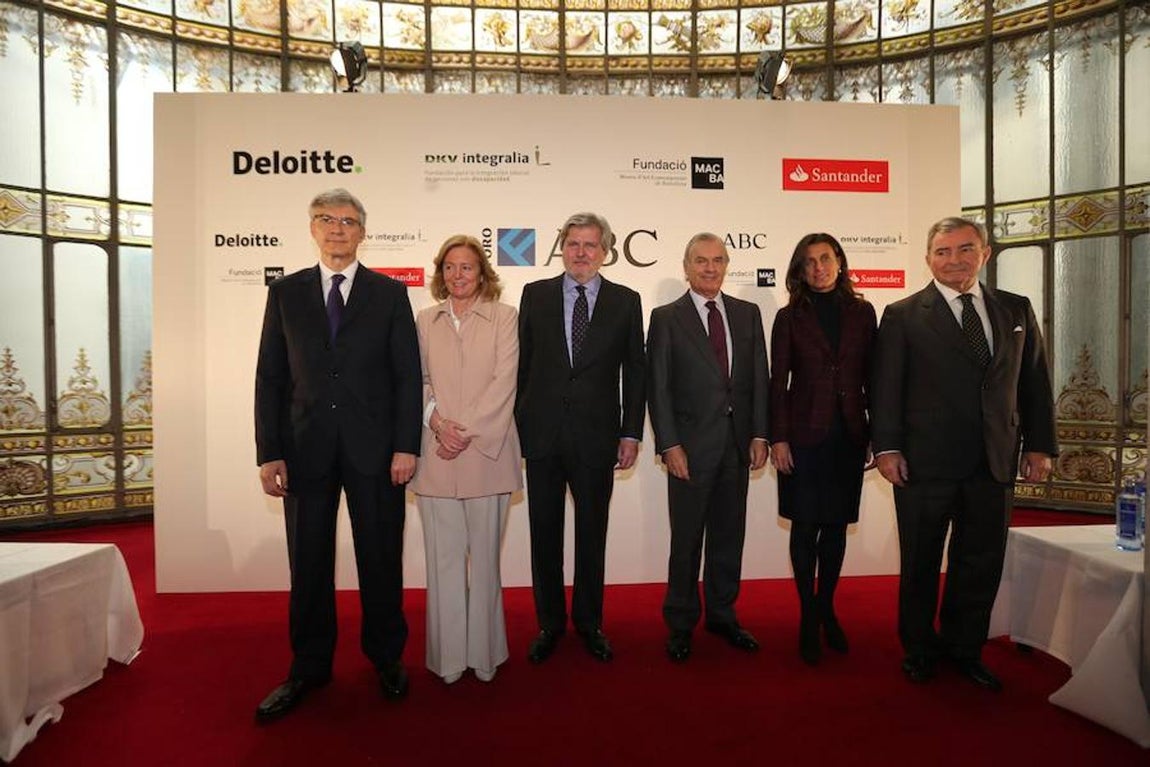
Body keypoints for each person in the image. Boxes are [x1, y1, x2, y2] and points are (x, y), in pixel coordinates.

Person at [253, 188, 422, 722]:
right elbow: (270, 376)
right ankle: (308, 666)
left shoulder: (390, 295)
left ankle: (387, 657)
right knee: (307, 564)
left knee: (380, 557)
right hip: (304, 452)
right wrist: (270, 450)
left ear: (362, 232)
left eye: (348, 221)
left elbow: (406, 376)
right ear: (312, 228)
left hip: (377, 453)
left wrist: (406, 445)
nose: (337, 228)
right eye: (326, 219)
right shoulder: (285, 293)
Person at [870, 216, 1056, 691]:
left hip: (994, 462)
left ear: (985, 253)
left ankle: (965, 648)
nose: (954, 259)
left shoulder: (1016, 309)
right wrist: (886, 447)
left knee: (980, 561)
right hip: (923, 463)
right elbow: (885, 389)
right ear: (928, 258)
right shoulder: (903, 314)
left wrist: (1038, 444)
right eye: (943, 251)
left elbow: (1033, 381)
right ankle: (919, 649)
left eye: (965, 249)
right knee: (920, 562)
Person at [515, 212, 646, 663]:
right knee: (543, 535)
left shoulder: (626, 301)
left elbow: (636, 373)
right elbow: (522, 368)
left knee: (593, 535)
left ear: (606, 251)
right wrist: (519, 429)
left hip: (598, 438)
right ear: (562, 248)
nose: (581, 253)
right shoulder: (536, 294)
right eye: (573, 244)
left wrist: (631, 433)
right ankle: (550, 624)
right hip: (544, 436)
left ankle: (590, 623)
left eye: (591, 245)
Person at [647, 232, 769, 663]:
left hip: (737, 447)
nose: (710, 268)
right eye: (701, 260)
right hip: (689, 450)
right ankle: (680, 623)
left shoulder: (747, 314)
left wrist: (759, 434)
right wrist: (669, 444)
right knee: (686, 541)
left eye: (718, 260)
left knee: (728, 537)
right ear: (686, 266)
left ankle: (722, 614)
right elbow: (657, 388)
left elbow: (758, 378)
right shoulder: (666, 318)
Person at [410, 235, 521, 685]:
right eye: (451, 267)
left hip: (488, 456)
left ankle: (486, 654)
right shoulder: (423, 320)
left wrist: (464, 432)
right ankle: (449, 658)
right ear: (441, 273)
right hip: (436, 456)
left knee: (486, 564)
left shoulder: (504, 317)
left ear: (482, 274)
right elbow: (414, 379)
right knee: (444, 562)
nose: (458, 275)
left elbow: (504, 382)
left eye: (467, 267)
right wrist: (438, 424)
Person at [768, 233, 876, 666]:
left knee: (834, 528)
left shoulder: (864, 312)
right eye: (809, 261)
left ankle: (826, 606)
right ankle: (807, 615)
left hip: (848, 435)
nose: (819, 267)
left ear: (840, 262)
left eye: (826, 259)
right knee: (804, 527)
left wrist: (877, 436)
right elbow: (778, 383)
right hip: (803, 437)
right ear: (800, 269)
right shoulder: (788, 316)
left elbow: (876, 376)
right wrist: (778, 438)